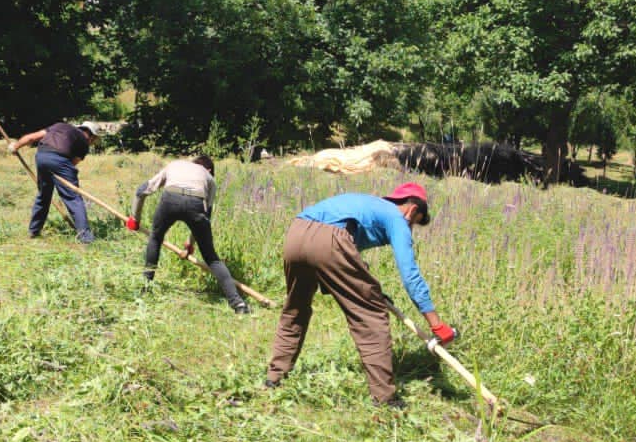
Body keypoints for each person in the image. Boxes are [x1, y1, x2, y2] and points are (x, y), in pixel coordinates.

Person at [264, 183, 457, 409]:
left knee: (295, 308)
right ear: (412, 209)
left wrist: (369, 288)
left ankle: (274, 378)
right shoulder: (397, 218)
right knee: (371, 316)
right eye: (414, 223)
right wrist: (436, 325)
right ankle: (385, 398)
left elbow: (346, 251)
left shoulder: (370, 204)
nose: (410, 229)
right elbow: (411, 277)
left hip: (296, 232)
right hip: (329, 240)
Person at [130, 154, 249, 313]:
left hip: (170, 198)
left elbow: (141, 191)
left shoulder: (175, 165)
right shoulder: (209, 178)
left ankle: (145, 288)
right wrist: (190, 244)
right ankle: (238, 304)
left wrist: (135, 219)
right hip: (196, 203)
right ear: (209, 169)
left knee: (156, 239)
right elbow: (206, 215)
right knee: (211, 258)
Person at [10, 120, 98, 243]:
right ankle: (86, 237)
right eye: (94, 139)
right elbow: (72, 164)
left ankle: (33, 231)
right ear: (91, 135)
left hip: (41, 156)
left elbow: (31, 138)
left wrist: (15, 146)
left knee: (43, 195)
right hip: (60, 161)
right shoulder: (83, 142)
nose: (92, 142)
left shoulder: (59, 126)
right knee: (73, 198)